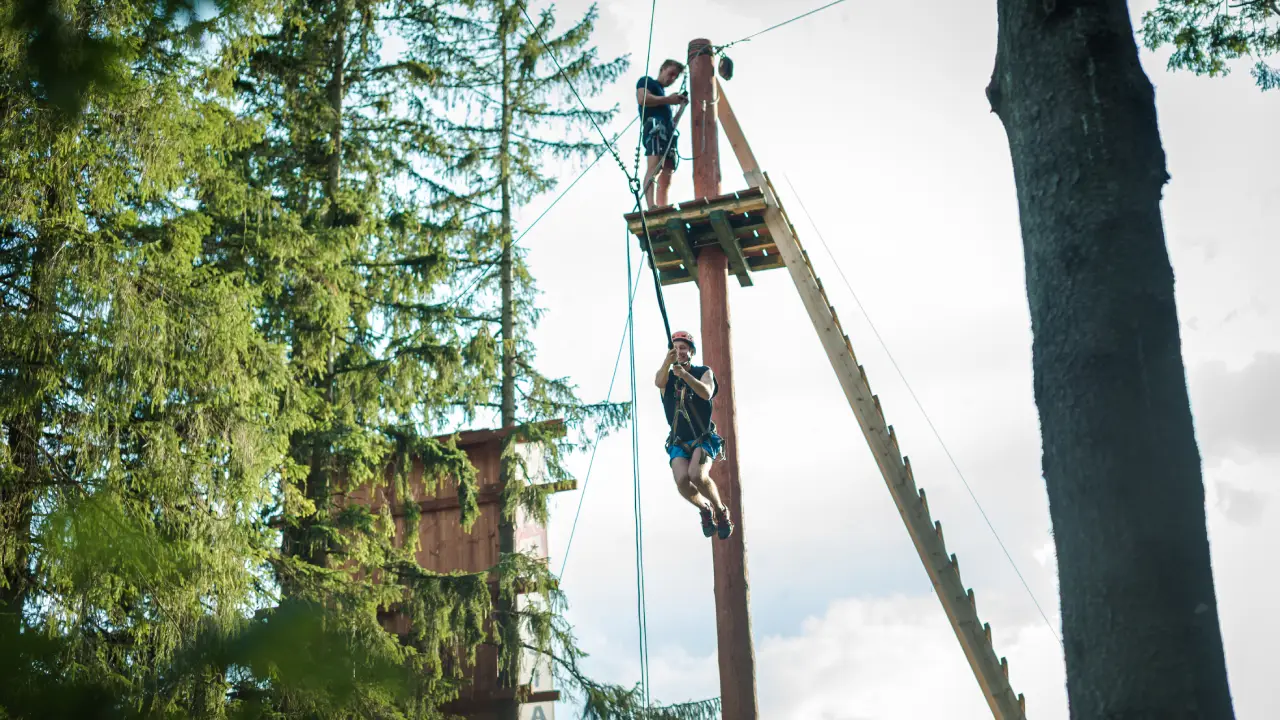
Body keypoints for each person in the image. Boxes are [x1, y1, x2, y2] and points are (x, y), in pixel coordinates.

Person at [654, 330, 733, 539]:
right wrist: (667, 363)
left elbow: (706, 392)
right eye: (676, 348)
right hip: (679, 441)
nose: (679, 352)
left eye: (683, 348)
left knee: (696, 475)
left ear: (691, 352)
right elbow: (658, 382)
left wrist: (685, 375)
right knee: (681, 480)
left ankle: (720, 510)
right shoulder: (667, 378)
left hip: (703, 438)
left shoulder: (703, 372)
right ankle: (705, 509)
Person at [636, 59, 688, 210]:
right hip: (653, 127)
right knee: (654, 166)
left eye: (675, 77)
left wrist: (681, 108)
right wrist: (668, 100)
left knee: (663, 169)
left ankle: (659, 205)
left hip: (665, 131)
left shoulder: (665, 101)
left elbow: (671, 124)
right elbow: (642, 99)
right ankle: (651, 205)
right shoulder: (647, 81)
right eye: (671, 73)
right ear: (662, 69)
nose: (672, 79)